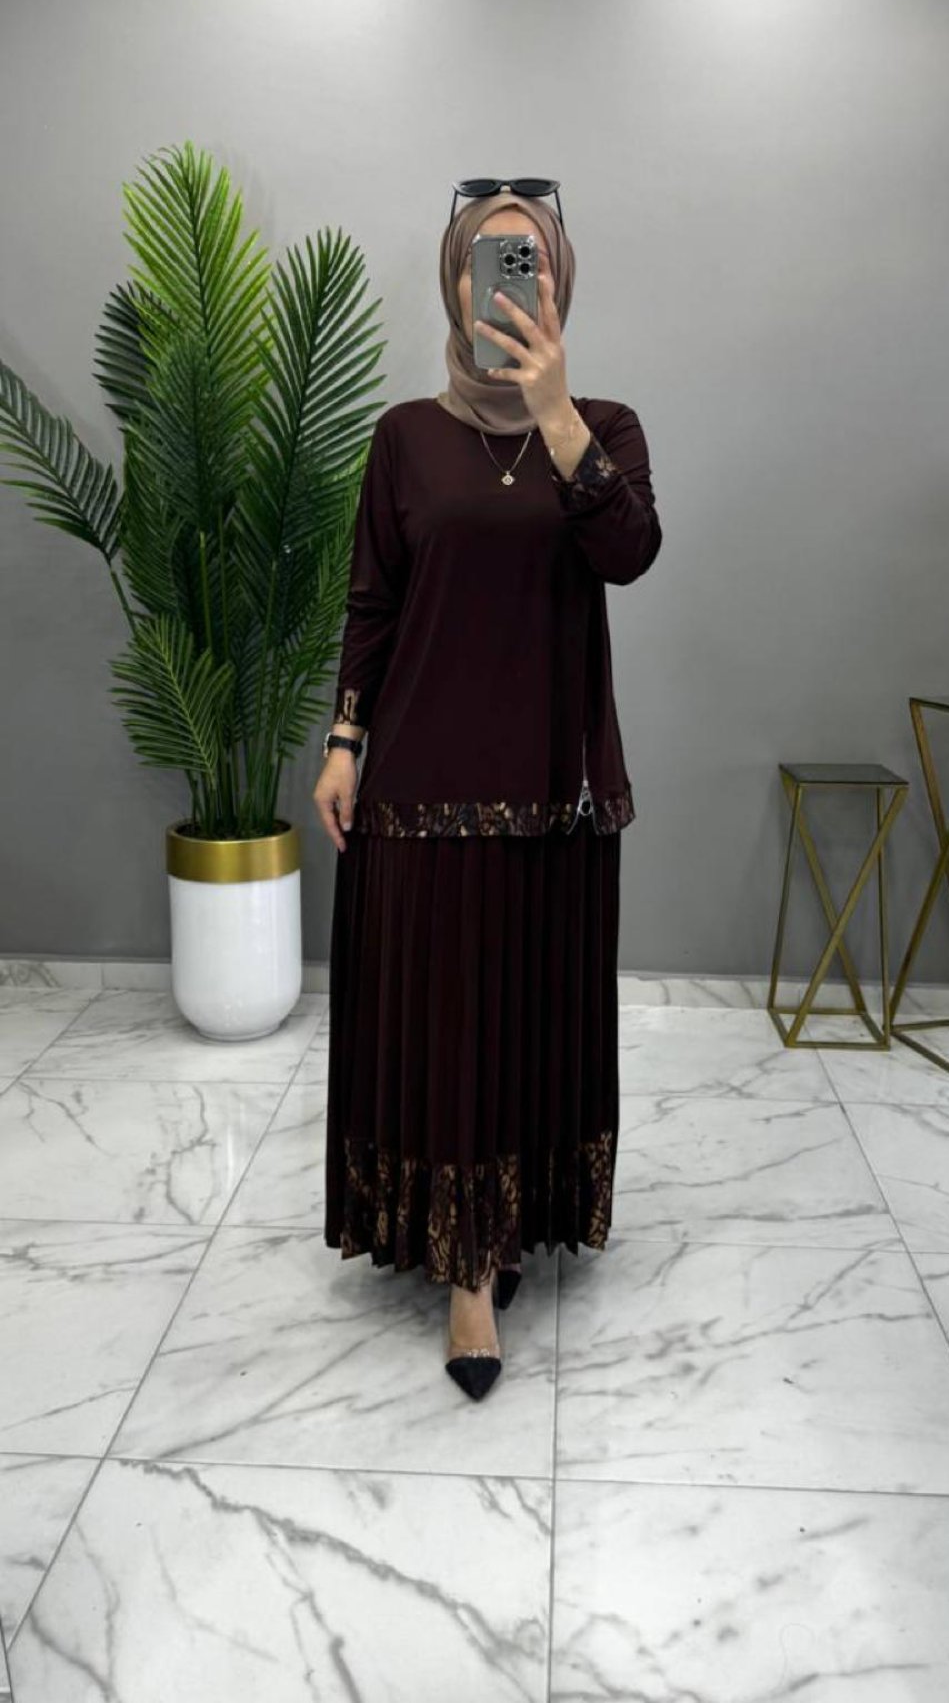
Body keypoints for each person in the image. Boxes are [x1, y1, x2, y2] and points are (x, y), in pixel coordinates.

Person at [314, 181, 662, 1401]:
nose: (507, 285)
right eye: (486, 263)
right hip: (423, 787)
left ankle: (511, 1220)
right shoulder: (405, 434)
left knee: (525, 1019)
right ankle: (466, 1272)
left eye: (528, 263)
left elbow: (628, 551)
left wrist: (555, 408)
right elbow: (372, 599)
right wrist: (344, 740)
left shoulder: (604, 426)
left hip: (554, 788)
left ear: (559, 279)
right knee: (451, 1027)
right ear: (453, 283)